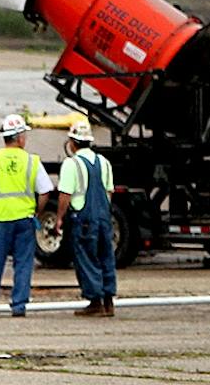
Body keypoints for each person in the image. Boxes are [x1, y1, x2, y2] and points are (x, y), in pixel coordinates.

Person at [0, 113, 55, 317]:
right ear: (19, 137)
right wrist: (38, 210)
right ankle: (19, 306)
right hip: (24, 220)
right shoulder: (31, 161)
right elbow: (46, 190)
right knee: (23, 264)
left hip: (0, 220)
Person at [56, 119, 118, 317]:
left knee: (87, 259)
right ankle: (109, 302)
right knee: (106, 257)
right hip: (103, 217)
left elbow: (65, 194)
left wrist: (59, 218)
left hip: (83, 219)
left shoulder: (71, 164)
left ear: (72, 143)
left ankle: (95, 301)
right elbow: (109, 191)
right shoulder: (104, 162)